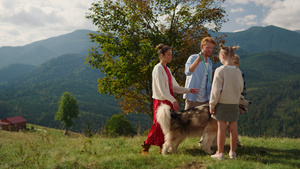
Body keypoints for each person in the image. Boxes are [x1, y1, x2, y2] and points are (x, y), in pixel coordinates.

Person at [141, 44, 198, 155]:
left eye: (171, 55)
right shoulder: (158, 68)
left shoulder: (167, 69)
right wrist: (173, 100)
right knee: (158, 124)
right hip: (160, 100)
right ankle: (146, 147)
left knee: (168, 125)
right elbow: (162, 89)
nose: (170, 57)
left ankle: (162, 147)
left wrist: (188, 90)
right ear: (162, 55)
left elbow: (174, 87)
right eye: (168, 55)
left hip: (168, 100)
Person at [210, 44, 243, 160]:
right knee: (234, 128)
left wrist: (212, 104)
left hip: (222, 103)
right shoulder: (238, 71)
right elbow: (240, 88)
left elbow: (215, 90)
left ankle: (220, 153)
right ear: (233, 56)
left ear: (222, 56)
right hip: (234, 103)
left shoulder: (220, 70)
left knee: (221, 129)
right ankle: (232, 152)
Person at [183, 37, 216, 110]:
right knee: (187, 120)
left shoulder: (209, 62)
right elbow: (187, 72)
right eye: (207, 47)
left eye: (211, 48)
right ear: (202, 47)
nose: (210, 50)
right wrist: (197, 61)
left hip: (205, 99)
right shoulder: (193, 58)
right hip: (192, 97)